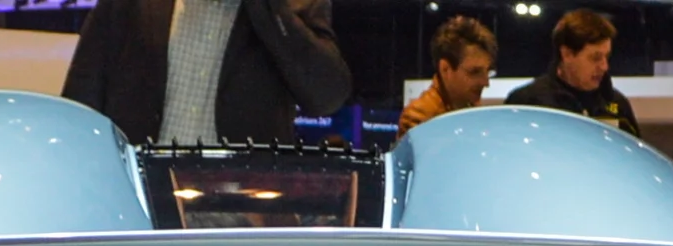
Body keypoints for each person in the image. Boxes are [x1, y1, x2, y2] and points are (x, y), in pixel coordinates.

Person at [61, 0, 353, 147]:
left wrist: (268, 9)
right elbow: (81, 101)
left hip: (241, 213)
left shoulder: (291, 4)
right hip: (139, 200)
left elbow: (327, 97)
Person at [502, 9, 639, 139]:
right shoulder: (527, 102)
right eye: (595, 58)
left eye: (607, 57)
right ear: (566, 54)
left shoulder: (618, 104)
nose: (604, 66)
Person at [397, 16, 495, 138]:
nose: (486, 83)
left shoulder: (470, 106)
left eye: (487, 72)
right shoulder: (418, 119)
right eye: (474, 72)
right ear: (445, 69)